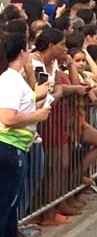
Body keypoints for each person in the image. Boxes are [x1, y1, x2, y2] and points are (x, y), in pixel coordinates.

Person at [0, 33, 52, 236]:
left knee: (11, 208)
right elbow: (8, 117)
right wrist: (37, 115)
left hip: (16, 148)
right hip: (9, 149)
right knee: (6, 206)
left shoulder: (13, 78)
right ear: (22, 52)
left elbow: (27, 99)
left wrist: (39, 93)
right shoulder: (10, 80)